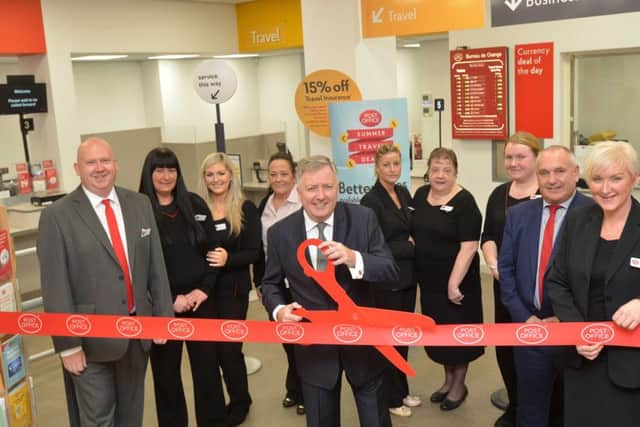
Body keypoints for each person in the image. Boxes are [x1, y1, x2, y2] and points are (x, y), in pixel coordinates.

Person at [37, 137, 174, 427]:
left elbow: (155, 266)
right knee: (99, 419)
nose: (99, 168)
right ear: (77, 168)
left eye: (105, 161)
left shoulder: (139, 203)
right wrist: (67, 345)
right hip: (88, 342)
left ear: (116, 165)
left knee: (131, 416)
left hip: (137, 335)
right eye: (91, 162)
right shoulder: (57, 216)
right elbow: (55, 286)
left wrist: (162, 316)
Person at [261, 155, 399, 427]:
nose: (321, 196)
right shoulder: (280, 233)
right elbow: (270, 283)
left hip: (363, 343)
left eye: (328, 187)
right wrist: (279, 309)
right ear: (298, 192)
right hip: (315, 352)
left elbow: (390, 270)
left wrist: (354, 258)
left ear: (338, 187)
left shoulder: (363, 218)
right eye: (312, 188)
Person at [547, 141, 640, 427]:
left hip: (631, 364)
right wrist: (578, 331)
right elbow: (557, 280)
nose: (606, 188)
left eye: (616, 178)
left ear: (634, 179)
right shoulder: (578, 220)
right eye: (597, 179)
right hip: (582, 359)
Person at [499, 145, 592, 427]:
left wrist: (565, 319)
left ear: (576, 174)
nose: (552, 180)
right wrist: (525, 318)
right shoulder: (519, 215)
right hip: (530, 332)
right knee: (531, 411)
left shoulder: (595, 214)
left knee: (576, 411)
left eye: (560, 171)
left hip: (576, 334)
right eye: (544, 173)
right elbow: (506, 269)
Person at [138, 147, 227, 427]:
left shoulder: (195, 204)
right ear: (149, 173)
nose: (166, 176)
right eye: (159, 169)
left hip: (202, 302)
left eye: (171, 169)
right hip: (163, 308)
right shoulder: (138, 210)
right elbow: (137, 267)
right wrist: (168, 299)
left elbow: (214, 252)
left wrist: (203, 290)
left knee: (208, 373)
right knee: (166, 379)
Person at [413, 147, 484, 411]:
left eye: (447, 170)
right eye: (435, 169)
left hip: (458, 282)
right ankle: (447, 380)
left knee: (459, 335)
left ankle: (458, 385)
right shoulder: (420, 195)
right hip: (429, 282)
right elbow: (414, 228)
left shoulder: (465, 202)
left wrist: (453, 283)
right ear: (428, 172)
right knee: (440, 334)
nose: (440, 175)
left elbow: (468, 247)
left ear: (456, 172)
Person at [481, 131, 540, 427]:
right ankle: (515, 406)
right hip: (503, 283)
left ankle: (540, 409)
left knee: (537, 349)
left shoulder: (549, 192)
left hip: (539, 288)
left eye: (521, 156)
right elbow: (488, 235)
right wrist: (493, 263)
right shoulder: (499, 193)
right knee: (506, 346)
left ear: (536, 157)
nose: (514, 162)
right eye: (509, 157)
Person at [198, 152, 261, 426]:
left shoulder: (246, 208)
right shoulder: (197, 208)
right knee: (209, 353)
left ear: (231, 175)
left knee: (229, 351)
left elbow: (254, 252)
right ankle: (214, 407)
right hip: (203, 292)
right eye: (210, 174)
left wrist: (228, 259)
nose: (216, 179)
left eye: (221, 173)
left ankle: (240, 401)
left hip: (233, 291)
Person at [360, 144, 421, 417]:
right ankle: (390, 397)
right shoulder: (370, 201)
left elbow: (412, 229)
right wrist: (408, 246)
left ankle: (401, 389)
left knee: (403, 336)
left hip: (407, 277)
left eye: (396, 164)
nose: (392, 169)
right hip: (386, 281)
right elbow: (375, 246)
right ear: (376, 168)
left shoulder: (403, 192)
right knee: (388, 339)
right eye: (386, 165)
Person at [252, 152, 305, 415]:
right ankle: (296, 385)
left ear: (294, 175)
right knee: (287, 338)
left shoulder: (303, 202)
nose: (279, 178)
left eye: (284, 173)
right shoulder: (265, 205)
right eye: (273, 174)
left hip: (301, 284)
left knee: (304, 339)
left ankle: (305, 389)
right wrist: (260, 284)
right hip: (274, 284)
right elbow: (260, 250)